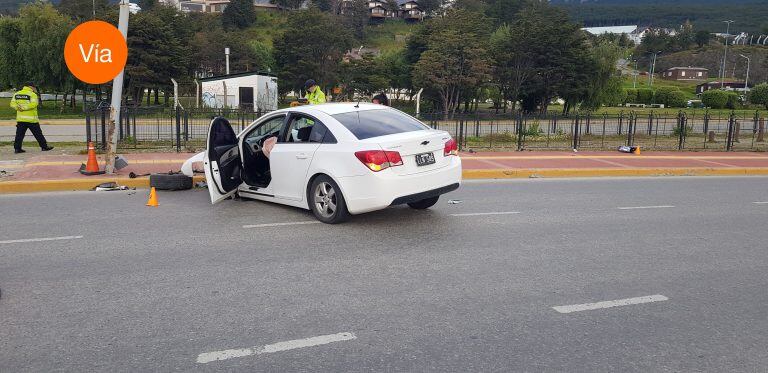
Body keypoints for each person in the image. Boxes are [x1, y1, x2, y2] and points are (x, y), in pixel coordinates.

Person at [11, 82, 53, 154]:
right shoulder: (32, 94)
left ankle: (17, 149)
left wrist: (18, 107)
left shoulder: (17, 94)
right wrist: (24, 107)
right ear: (30, 87)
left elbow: (12, 103)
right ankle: (44, 147)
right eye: (34, 87)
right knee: (38, 134)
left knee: (19, 135)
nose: (35, 88)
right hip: (31, 119)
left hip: (21, 119)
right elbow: (34, 104)